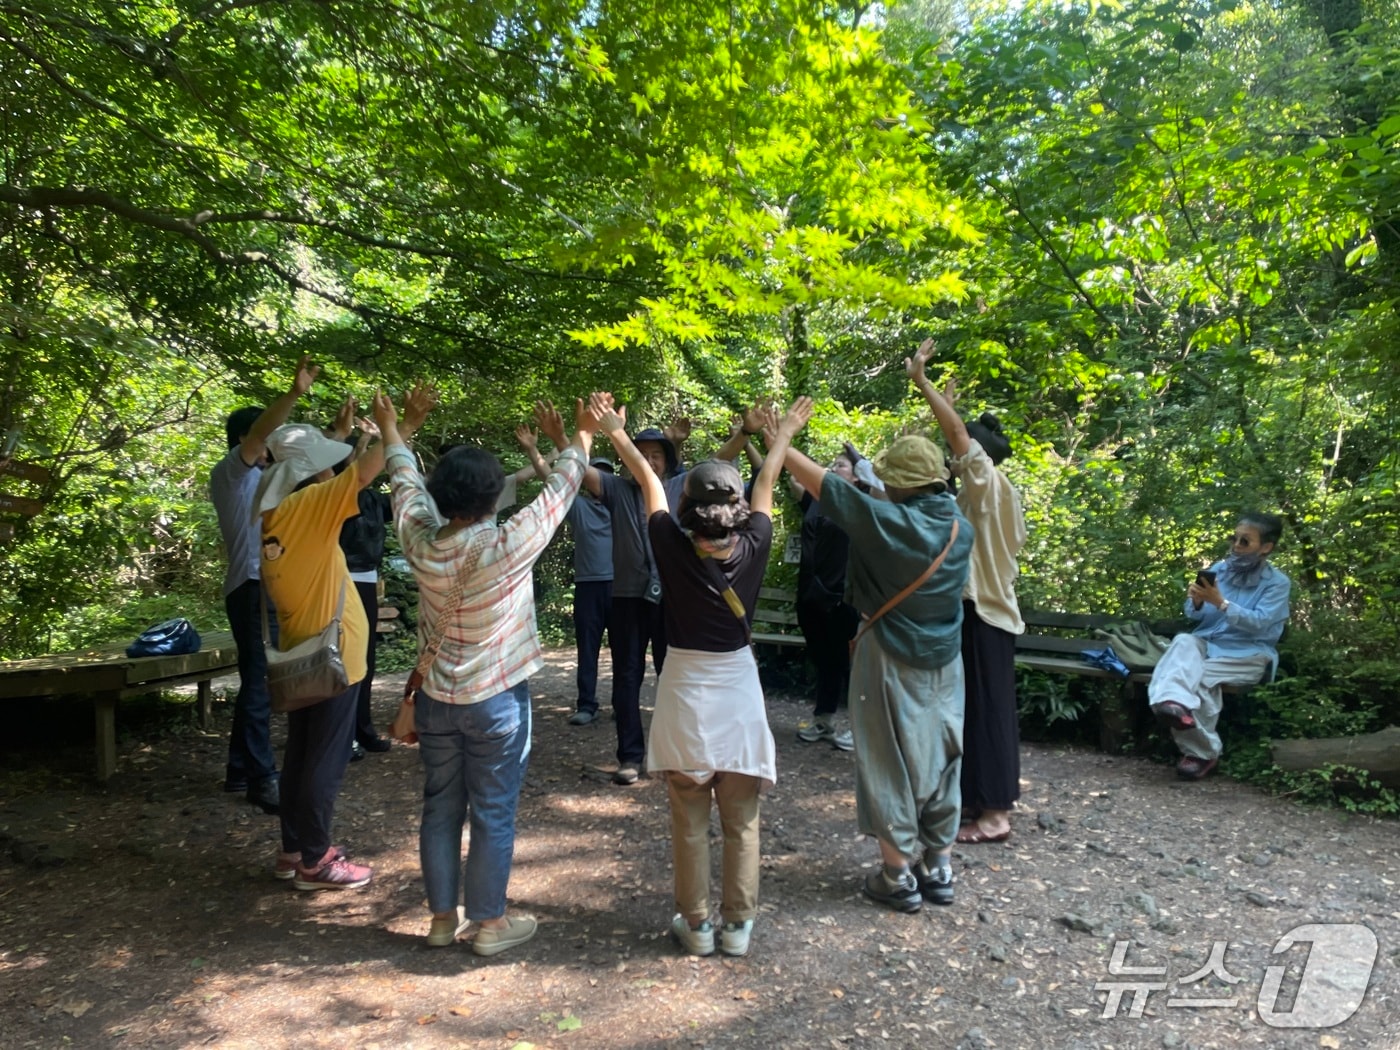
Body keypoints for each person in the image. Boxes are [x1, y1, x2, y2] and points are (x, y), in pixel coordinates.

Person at [378, 386, 602, 956]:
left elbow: (404, 485)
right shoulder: (508, 543)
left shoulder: (421, 544)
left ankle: (438, 919)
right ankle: (490, 925)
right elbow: (560, 489)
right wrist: (578, 435)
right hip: (497, 700)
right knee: (493, 810)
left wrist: (397, 429)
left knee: (440, 806)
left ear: (440, 495)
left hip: (435, 699)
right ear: (494, 494)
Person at [593, 392, 805, 959]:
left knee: (689, 819)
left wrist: (616, 431)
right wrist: (778, 435)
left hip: (685, 689)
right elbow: (768, 481)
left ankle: (697, 925)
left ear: (688, 505)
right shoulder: (756, 542)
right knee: (742, 819)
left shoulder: (668, 542)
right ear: (736, 507)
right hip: (738, 689)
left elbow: (646, 481)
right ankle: (738, 928)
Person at [777, 427, 973, 914]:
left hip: (886, 651)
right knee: (946, 753)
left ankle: (897, 874)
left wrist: (777, 436)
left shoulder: (884, 522)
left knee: (888, 758)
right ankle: (939, 867)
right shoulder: (960, 527)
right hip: (947, 658)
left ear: (902, 486)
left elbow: (823, 483)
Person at [254, 403, 386, 891]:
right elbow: (363, 474)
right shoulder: (309, 510)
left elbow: (350, 470)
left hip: (303, 656)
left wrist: (358, 436)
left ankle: (292, 850)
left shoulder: (276, 514)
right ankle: (317, 859)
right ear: (309, 473)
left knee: (301, 756)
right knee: (325, 762)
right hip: (335, 658)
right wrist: (401, 427)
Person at [907, 340, 1027, 844]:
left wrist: (923, 382)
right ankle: (977, 802)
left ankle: (996, 813)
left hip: (985, 614)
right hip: (981, 614)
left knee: (990, 711)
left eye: (960, 454)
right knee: (975, 710)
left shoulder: (986, 483)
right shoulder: (989, 492)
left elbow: (958, 438)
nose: (953, 461)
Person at [209, 355, 333, 815]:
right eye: (263, 438)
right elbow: (263, 434)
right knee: (261, 681)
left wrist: (339, 435)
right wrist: (295, 393)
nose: (269, 446)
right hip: (250, 588)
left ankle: (240, 769)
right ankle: (263, 777)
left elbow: (314, 468)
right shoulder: (231, 474)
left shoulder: (266, 478)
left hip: (266, 587)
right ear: (245, 440)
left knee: (258, 679)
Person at [1148, 513, 1291, 780]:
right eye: (1233, 538)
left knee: (1198, 681)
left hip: (1249, 654)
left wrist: (1222, 604)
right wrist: (1199, 602)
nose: (1236, 545)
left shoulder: (1277, 584)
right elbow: (1194, 615)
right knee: (1182, 641)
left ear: (1266, 547)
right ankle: (1173, 704)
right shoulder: (1218, 570)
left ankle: (1200, 753)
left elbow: (1260, 624)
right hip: (1208, 645)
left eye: (1245, 541)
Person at [791, 451, 859, 752]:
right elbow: (794, 476)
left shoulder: (862, 506)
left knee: (852, 666)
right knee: (825, 661)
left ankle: (862, 728)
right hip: (810, 597)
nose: (834, 468)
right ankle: (824, 719)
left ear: (857, 476)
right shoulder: (816, 501)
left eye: (841, 465)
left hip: (843, 599)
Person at [335, 417, 394, 759]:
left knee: (365, 659)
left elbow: (402, 499)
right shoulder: (336, 495)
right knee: (342, 658)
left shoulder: (373, 499)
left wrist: (401, 452)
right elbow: (351, 473)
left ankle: (362, 728)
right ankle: (342, 735)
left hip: (367, 579)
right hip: (340, 580)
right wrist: (365, 439)